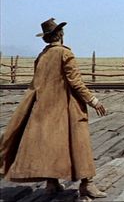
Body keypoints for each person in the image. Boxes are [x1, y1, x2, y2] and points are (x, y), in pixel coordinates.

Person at [0, 18, 107, 199]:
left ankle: (52, 183)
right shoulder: (66, 54)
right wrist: (93, 100)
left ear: (47, 38)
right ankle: (87, 184)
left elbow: (38, 84)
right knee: (79, 144)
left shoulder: (42, 56)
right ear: (61, 35)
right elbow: (76, 82)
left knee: (50, 145)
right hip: (67, 108)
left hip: (44, 108)